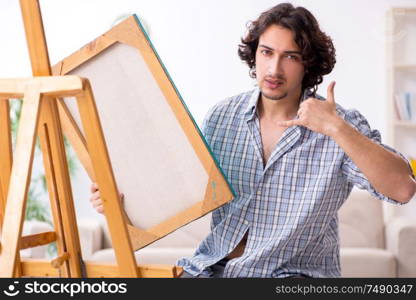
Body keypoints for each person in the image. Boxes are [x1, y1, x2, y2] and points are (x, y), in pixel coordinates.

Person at [90, 3, 416, 278]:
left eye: (290, 56)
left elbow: (403, 188)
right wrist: (121, 204)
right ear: (255, 54)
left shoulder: (340, 125)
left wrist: (337, 129)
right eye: (267, 52)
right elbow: (181, 193)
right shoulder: (222, 117)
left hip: (294, 276)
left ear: (308, 64)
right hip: (212, 268)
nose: (274, 68)